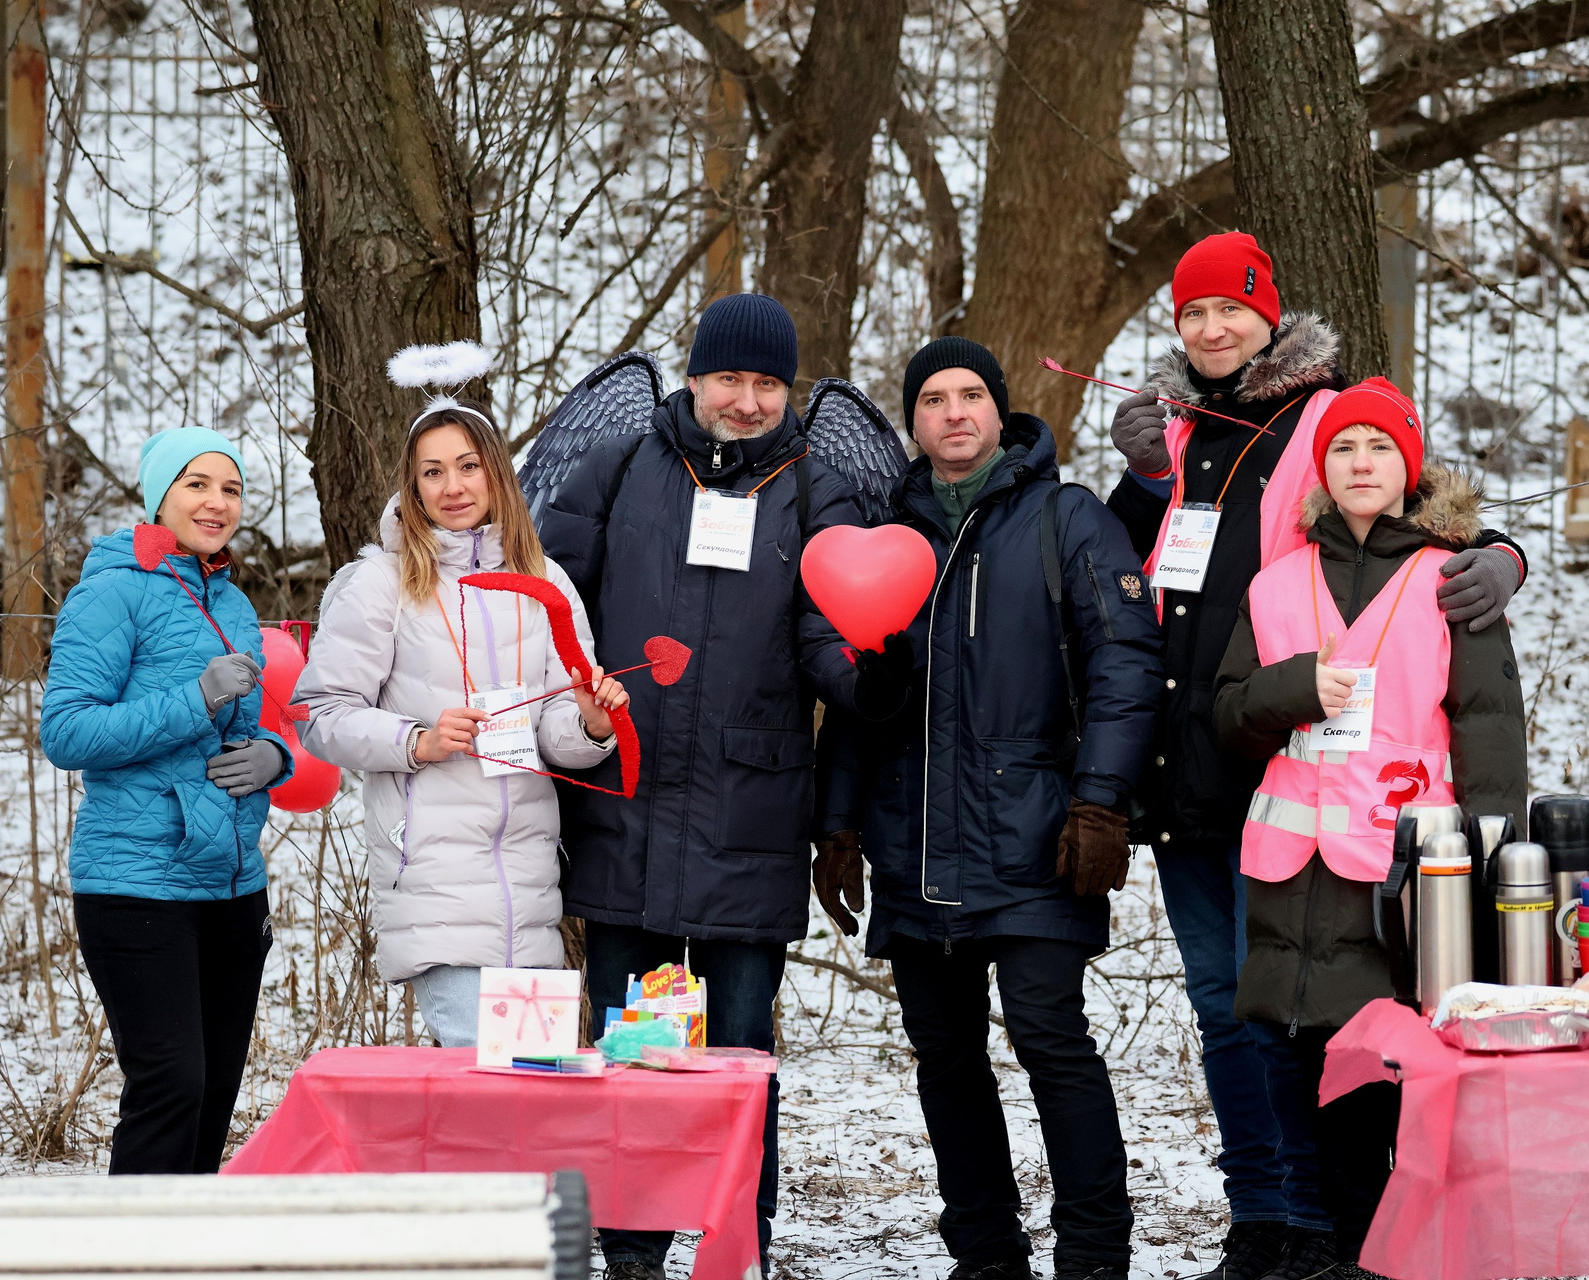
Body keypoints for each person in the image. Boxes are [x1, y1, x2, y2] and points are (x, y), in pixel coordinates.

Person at [1102, 232, 1528, 1278]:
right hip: (1196, 760)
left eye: (1232, 309)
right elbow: (1129, 572)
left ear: (1270, 315)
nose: (1213, 328)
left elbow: (1406, 518)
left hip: (1304, 785)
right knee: (1227, 1008)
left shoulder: (1323, 418)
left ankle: (1326, 1218)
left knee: (1321, 1019)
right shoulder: (1177, 428)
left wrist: (1505, 557)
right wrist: (1142, 479)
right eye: (1193, 312)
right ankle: (1262, 1213)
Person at [537, 292, 911, 1279]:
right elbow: (552, 610)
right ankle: (631, 1246)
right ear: (695, 376)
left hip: (751, 815)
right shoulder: (622, 467)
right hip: (624, 805)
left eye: (767, 383)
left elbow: (831, 634)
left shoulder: (816, 487)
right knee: (629, 1049)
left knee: (740, 1052)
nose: (746, 400)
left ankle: (738, 1236)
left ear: (788, 390)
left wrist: (870, 675)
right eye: (729, 378)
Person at [814, 338, 1163, 1280]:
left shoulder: (1066, 518)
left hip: (1037, 837)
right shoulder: (887, 535)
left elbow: (1127, 666)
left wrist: (1101, 803)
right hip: (915, 838)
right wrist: (837, 824)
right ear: (913, 421)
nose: (954, 412)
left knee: (1051, 1039)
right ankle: (985, 1252)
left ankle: (1094, 1253)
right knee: (945, 1056)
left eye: (971, 394)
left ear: (1000, 413)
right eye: (933, 399)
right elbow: (857, 699)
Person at [1213, 378, 1527, 1277]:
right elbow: (1229, 716)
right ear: (1323, 471)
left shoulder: (1451, 580)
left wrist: (1491, 863)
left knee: (1396, 1071)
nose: (1360, 463)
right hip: (1291, 875)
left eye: (1380, 448)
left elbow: (1489, 728)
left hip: (1405, 877)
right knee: (1306, 1064)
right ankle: (1346, 1251)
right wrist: (1293, 688)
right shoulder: (1276, 583)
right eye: (1344, 449)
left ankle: (1402, 1250)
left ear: (1409, 468)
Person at [295, 396, 627, 1047]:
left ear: (496, 472)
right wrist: (416, 740)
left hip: (530, 893)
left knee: (532, 1084)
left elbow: (559, 736)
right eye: (433, 471)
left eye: (468, 466)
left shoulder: (546, 581)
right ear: (413, 486)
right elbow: (320, 713)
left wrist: (591, 724)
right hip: (436, 887)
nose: (453, 486)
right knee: (483, 1086)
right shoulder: (381, 583)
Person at [41, 426, 294, 1173]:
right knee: (170, 1086)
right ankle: (134, 1239)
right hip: (135, 884)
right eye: (197, 484)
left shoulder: (234, 603)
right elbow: (67, 731)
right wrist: (195, 698)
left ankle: (187, 1236)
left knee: (213, 1095)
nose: (217, 502)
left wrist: (274, 757)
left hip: (232, 883)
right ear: (159, 496)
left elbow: (252, 727)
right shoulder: (111, 591)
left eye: (231, 488)